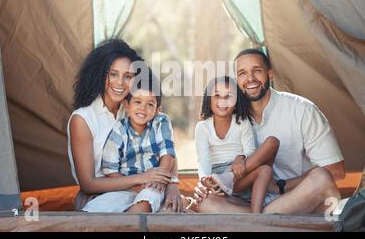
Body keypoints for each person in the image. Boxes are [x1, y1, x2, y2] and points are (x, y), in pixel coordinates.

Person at [194, 49, 345, 214]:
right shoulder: (229, 117)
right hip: (249, 205)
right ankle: (264, 222)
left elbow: (335, 171)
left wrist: (281, 186)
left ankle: (260, 223)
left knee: (321, 179)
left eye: (257, 71)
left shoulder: (302, 110)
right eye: (242, 73)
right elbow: (206, 159)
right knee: (205, 202)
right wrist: (204, 184)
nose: (250, 78)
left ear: (270, 74)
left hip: (298, 198)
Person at [67, 38, 182, 212]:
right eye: (113, 74)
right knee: (145, 213)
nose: (120, 83)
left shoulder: (133, 107)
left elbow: (166, 148)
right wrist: (142, 179)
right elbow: (88, 184)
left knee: (175, 213)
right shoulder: (83, 119)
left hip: (146, 189)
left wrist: (172, 186)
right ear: (99, 73)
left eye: (127, 76)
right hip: (99, 196)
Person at [82, 70, 177, 213]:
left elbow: (168, 153)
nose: (142, 108)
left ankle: (128, 223)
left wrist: (158, 181)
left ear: (158, 110)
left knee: (145, 201)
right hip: (126, 187)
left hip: (153, 186)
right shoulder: (119, 129)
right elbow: (110, 169)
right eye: (137, 101)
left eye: (150, 104)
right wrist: (136, 186)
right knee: (96, 208)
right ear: (126, 105)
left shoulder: (161, 122)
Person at [194, 76, 280, 213]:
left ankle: (256, 216)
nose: (223, 100)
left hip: (241, 173)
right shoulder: (203, 127)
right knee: (205, 202)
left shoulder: (241, 122)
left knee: (270, 149)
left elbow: (250, 151)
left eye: (228, 96)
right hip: (217, 179)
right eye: (217, 95)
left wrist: (239, 158)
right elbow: (203, 158)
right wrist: (204, 179)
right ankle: (228, 182)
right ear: (208, 99)